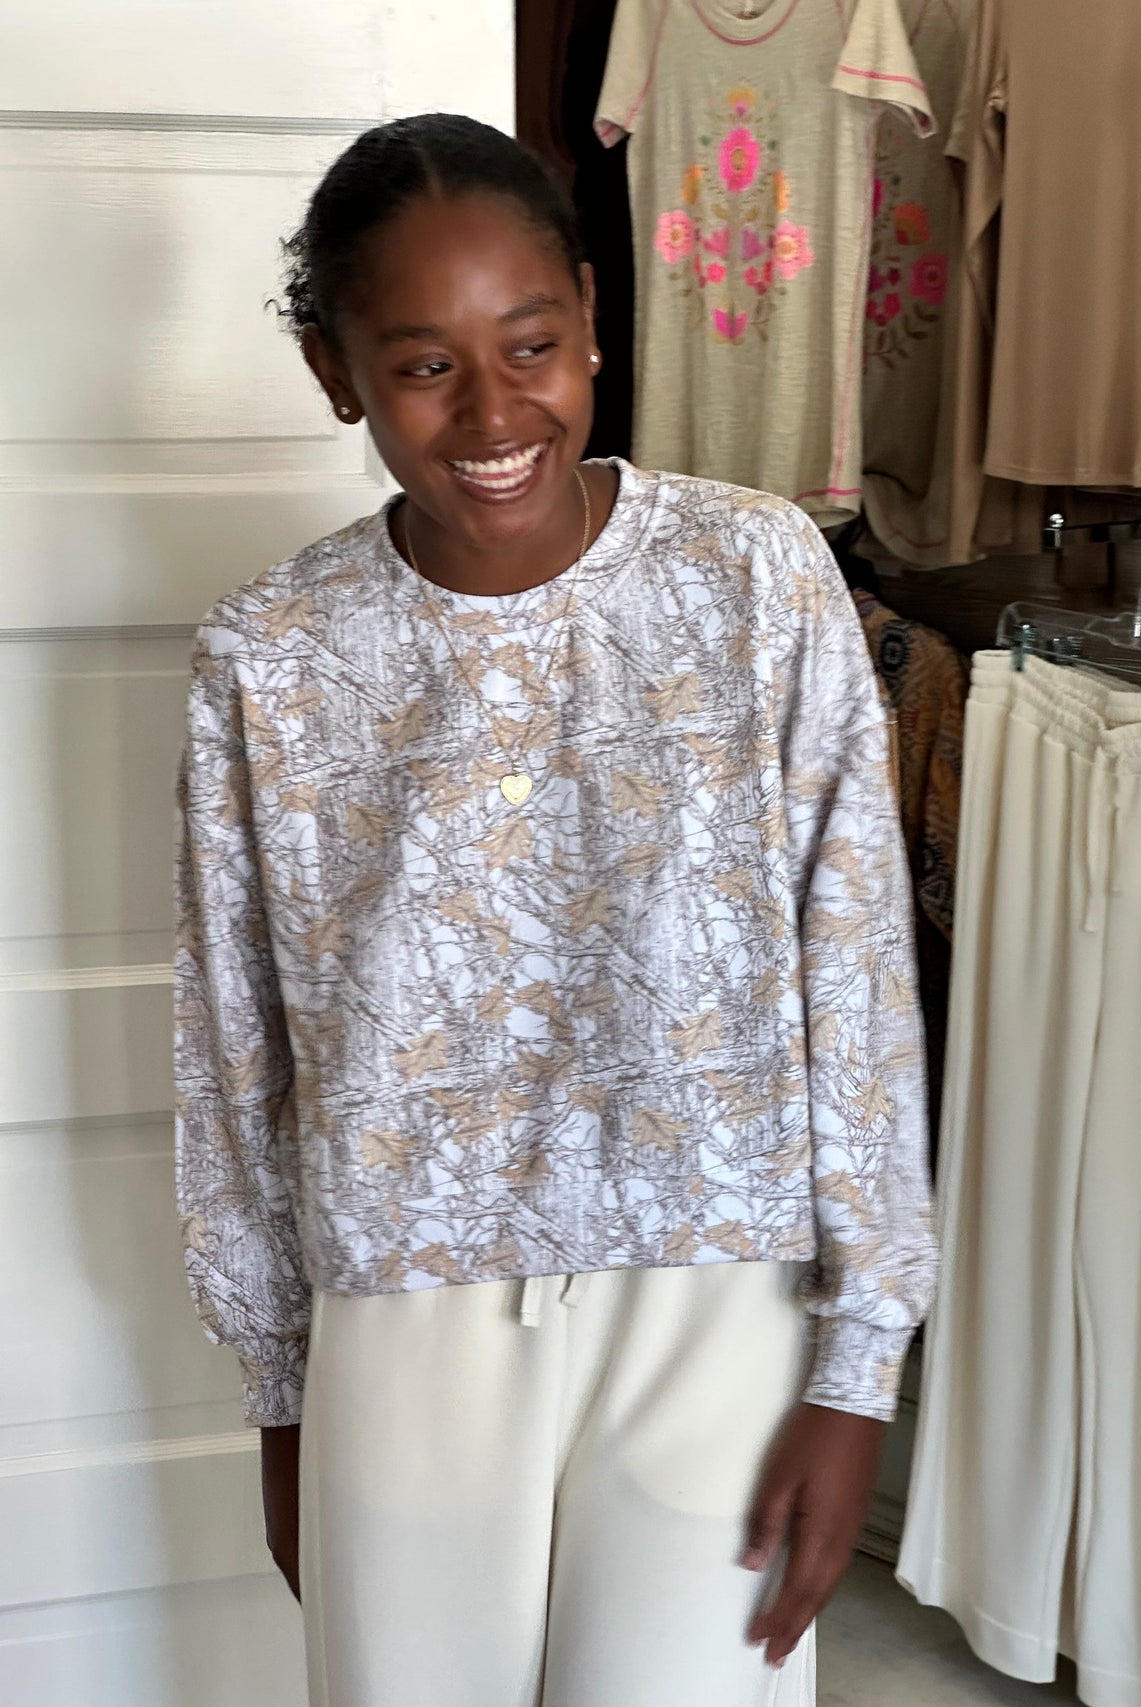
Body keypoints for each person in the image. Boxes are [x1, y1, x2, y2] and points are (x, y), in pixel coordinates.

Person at [174, 113, 936, 1707]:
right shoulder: (270, 656)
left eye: (530, 344)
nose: (492, 410)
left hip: (715, 1301)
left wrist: (859, 1368)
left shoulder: (756, 577)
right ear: (335, 374)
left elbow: (858, 967)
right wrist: (284, 1397)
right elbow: (237, 1056)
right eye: (421, 365)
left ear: (592, 317)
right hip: (406, 1323)